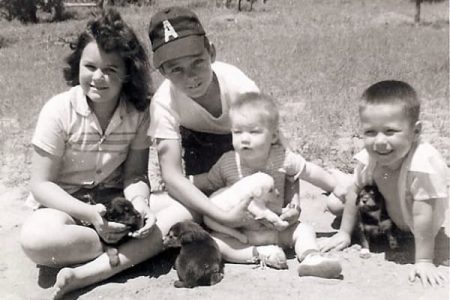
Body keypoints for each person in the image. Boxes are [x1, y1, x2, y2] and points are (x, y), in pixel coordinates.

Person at [19, 10, 192, 299]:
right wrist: (91, 216)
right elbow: (41, 185)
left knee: (184, 208)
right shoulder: (59, 110)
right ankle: (126, 251)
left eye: (111, 69)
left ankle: (95, 269)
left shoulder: (137, 112)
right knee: (35, 241)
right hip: (65, 211)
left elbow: (135, 174)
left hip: (118, 208)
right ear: (77, 67)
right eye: (90, 66)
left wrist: (141, 205)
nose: (98, 77)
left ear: (128, 73)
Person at [192, 92, 346, 278]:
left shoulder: (281, 157)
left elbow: (309, 171)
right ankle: (258, 255)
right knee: (216, 241)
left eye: (254, 131)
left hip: (279, 229)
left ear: (273, 136)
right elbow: (209, 181)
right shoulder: (227, 162)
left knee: (304, 230)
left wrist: (335, 187)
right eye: (237, 132)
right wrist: (187, 181)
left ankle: (310, 257)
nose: (244, 139)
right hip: (242, 233)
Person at [320, 80, 449, 287]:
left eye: (390, 131)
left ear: (416, 132)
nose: (379, 141)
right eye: (370, 132)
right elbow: (356, 191)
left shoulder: (422, 164)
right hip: (393, 213)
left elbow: (423, 214)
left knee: (341, 199)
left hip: (415, 218)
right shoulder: (371, 158)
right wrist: (344, 233)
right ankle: (336, 182)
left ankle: (336, 181)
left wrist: (424, 261)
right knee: (336, 204)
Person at [147, 7, 263, 233]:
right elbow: (171, 176)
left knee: (257, 188)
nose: (190, 77)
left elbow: (275, 146)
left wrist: (293, 199)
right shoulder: (163, 102)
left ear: (211, 52)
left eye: (197, 63)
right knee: (182, 201)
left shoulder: (240, 87)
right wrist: (223, 216)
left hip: (241, 147)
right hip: (196, 149)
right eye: (176, 69)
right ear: (162, 72)